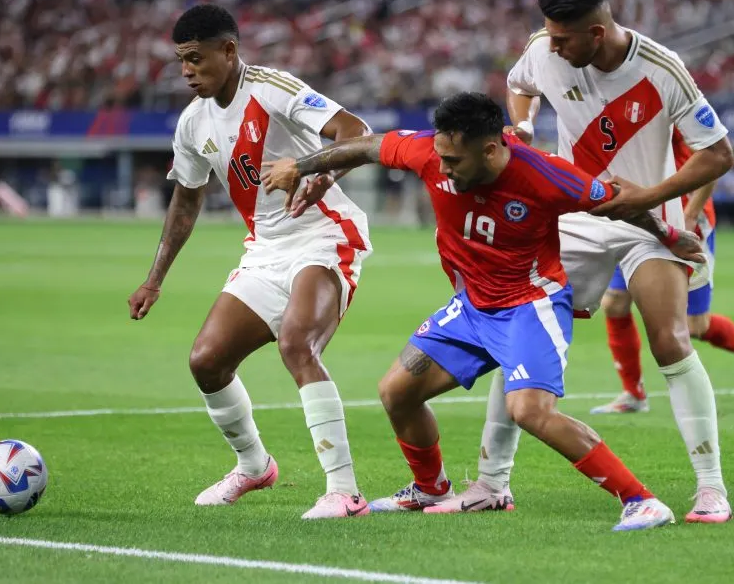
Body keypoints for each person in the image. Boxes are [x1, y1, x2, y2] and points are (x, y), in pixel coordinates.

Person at [262, 91, 706, 531]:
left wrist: (669, 235)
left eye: (454, 161)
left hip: (530, 307)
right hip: (472, 308)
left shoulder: (546, 174)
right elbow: (365, 146)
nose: (443, 169)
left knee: (530, 411)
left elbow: (617, 201)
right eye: (441, 156)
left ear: (491, 150)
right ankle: (431, 488)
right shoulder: (427, 152)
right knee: (396, 392)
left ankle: (642, 500)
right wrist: (302, 167)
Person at [448, 0, 734, 523]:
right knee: (520, 327)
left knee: (671, 340)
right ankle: (490, 483)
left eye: (563, 38)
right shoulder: (544, 49)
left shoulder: (662, 70)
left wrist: (648, 196)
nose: (551, 45)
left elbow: (718, 153)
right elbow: (519, 85)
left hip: (649, 220)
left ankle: (710, 488)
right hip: (575, 215)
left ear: (597, 33)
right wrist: (523, 126)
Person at [127, 4, 375, 520]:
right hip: (266, 250)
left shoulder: (271, 88)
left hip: (324, 234)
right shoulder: (193, 123)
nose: (186, 71)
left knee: (297, 344)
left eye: (195, 59)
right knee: (206, 361)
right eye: (181, 61)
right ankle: (254, 465)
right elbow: (186, 201)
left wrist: (316, 174)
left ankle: (345, 492)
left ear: (229, 50)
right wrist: (154, 279)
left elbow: (356, 130)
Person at [590, 129, 734, 415]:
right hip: (639, 216)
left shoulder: (674, 111)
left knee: (694, 326)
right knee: (615, 303)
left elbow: (714, 157)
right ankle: (633, 393)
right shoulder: (620, 111)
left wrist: (691, 213)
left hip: (686, 220)